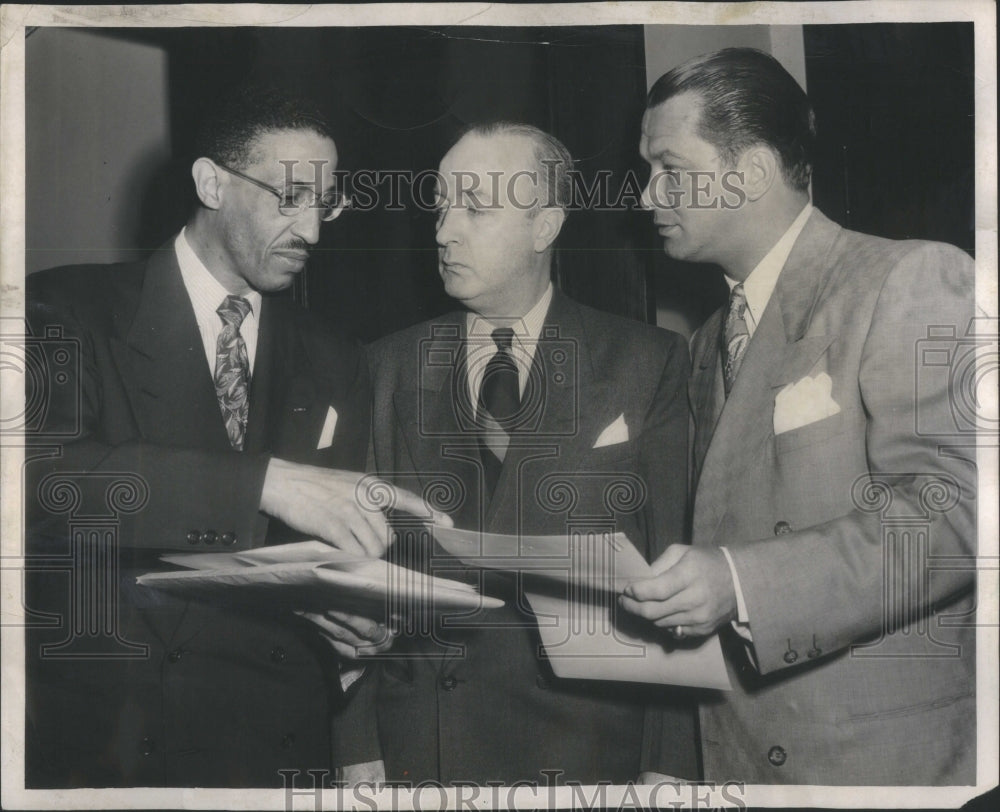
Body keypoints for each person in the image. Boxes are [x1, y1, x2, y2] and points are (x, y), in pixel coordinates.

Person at [24, 84, 437, 787]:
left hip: (278, 751)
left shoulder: (334, 355)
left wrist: (355, 622)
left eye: (326, 202)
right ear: (211, 183)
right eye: (290, 196)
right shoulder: (63, 309)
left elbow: (311, 557)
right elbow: (43, 485)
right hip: (120, 751)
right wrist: (266, 482)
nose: (312, 229)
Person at [622, 48, 977, 784]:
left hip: (884, 769)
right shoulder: (702, 346)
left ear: (748, 171)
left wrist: (742, 583)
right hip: (745, 762)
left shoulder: (910, 278)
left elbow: (955, 514)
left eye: (670, 169)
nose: (648, 196)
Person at [345, 122, 696, 786]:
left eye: (475, 207)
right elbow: (350, 576)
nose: (444, 230)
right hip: (422, 756)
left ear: (545, 227)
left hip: (590, 758)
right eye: (441, 205)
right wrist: (355, 748)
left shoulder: (646, 364)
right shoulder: (384, 369)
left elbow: (677, 572)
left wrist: (671, 768)